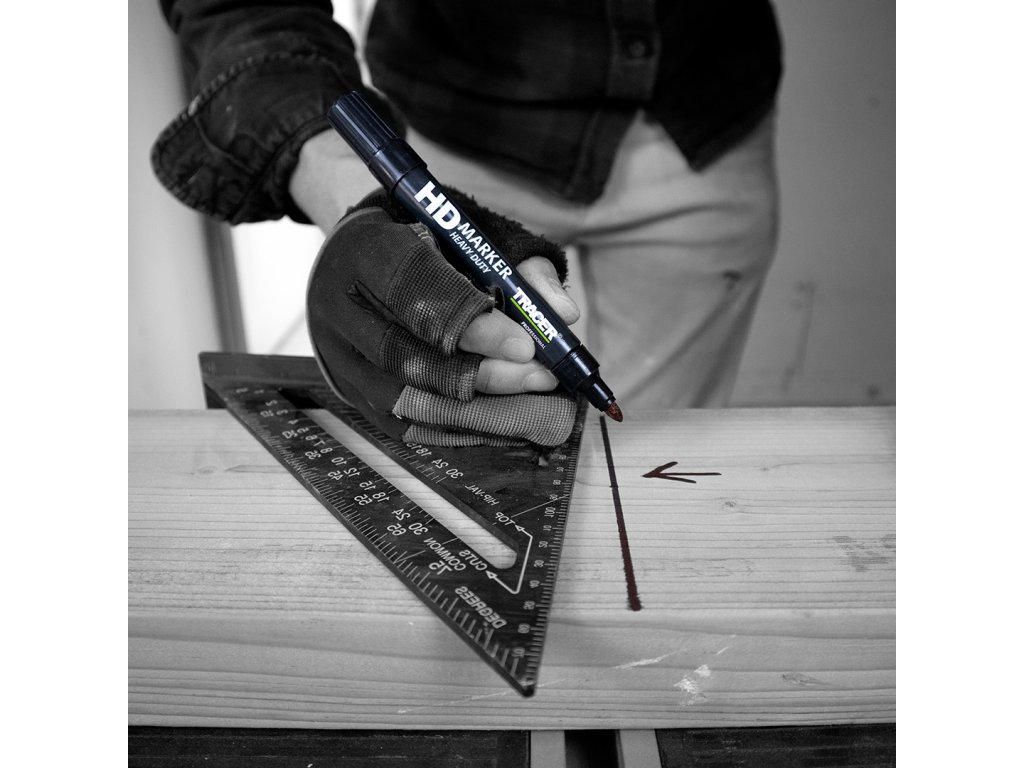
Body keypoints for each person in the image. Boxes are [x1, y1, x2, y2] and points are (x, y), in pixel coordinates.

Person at [152, 0, 783, 447]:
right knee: (467, 410)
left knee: (658, 446)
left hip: (703, 119)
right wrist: (344, 183)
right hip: (451, 128)